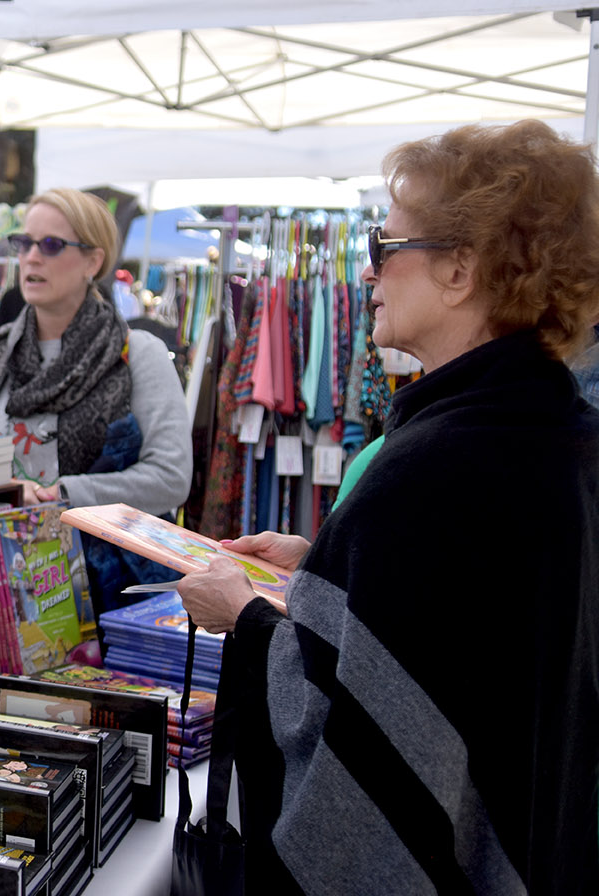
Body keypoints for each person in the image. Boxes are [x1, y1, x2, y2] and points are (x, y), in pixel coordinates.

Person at [177, 120, 599, 893]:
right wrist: (327, 568)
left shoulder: (435, 464)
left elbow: (359, 753)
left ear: (461, 269)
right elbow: (474, 629)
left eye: (384, 246)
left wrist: (245, 616)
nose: (368, 275)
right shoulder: (559, 432)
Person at [0, 188, 192, 607]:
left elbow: (170, 477)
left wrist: (64, 495)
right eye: (24, 243)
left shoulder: (137, 355)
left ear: (93, 262)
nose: (31, 257)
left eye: (52, 245)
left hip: (109, 594)